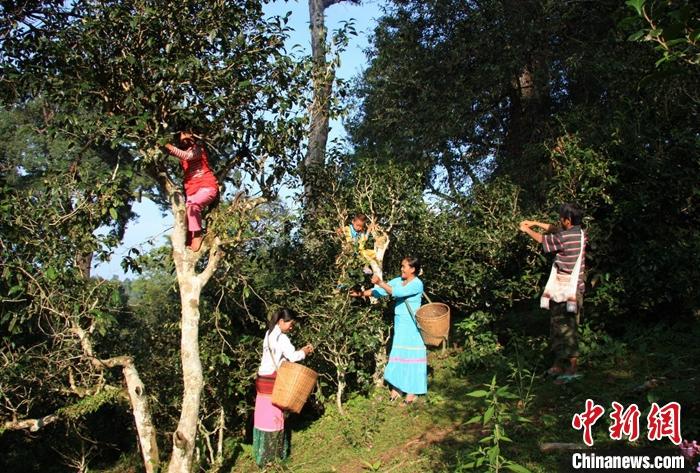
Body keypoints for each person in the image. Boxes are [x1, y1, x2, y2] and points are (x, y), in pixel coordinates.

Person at [519, 203, 587, 383]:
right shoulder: (580, 234)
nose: (559, 221)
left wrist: (527, 230)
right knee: (558, 326)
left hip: (566, 292)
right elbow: (555, 229)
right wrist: (535, 222)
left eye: (561, 218)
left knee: (568, 329)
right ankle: (559, 364)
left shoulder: (564, 238)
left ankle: (572, 369)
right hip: (573, 290)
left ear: (567, 220)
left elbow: (542, 240)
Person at [352, 257, 426, 404]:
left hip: (412, 325)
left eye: (404, 266)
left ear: (412, 269)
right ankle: (397, 388)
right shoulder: (399, 280)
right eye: (401, 266)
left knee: (412, 355)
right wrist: (360, 294)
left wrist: (380, 282)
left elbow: (396, 292)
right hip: (400, 323)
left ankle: (412, 392)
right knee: (399, 354)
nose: (401, 269)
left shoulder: (417, 284)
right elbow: (380, 291)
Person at [253, 308, 313, 467]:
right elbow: (293, 357)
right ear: (281, 321)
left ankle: (262, 454)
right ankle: (273, 457)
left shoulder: (268, 334)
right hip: (272, 381)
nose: (291, 327)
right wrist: (304, 351)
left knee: (263, 417)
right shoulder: (282, 338)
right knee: (274, 417)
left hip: (261, 379)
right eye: (290, 324)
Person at [165, 130, 219, 252]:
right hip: (192, 191)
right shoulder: (182, 154)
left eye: (185, 134)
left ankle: (197, 235)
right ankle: (189, 240)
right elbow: (178, 154)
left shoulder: (197, 149)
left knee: (193, 207)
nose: (183, 137)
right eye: (180, 135)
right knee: (186, 215)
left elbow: (187, 156)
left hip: (207, 187)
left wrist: (166, 145)